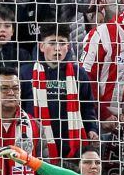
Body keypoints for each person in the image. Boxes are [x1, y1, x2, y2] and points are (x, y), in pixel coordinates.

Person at [19, 24, 98, 160]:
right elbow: (20, 107)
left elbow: (87, 106)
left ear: (68, 47)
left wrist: (92, 128)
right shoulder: (26, 73)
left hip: (71, 142)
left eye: (62, 43)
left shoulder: (79, 73)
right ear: (41, 46)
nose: (57, 48)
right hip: (37, 143)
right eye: (52, 43)